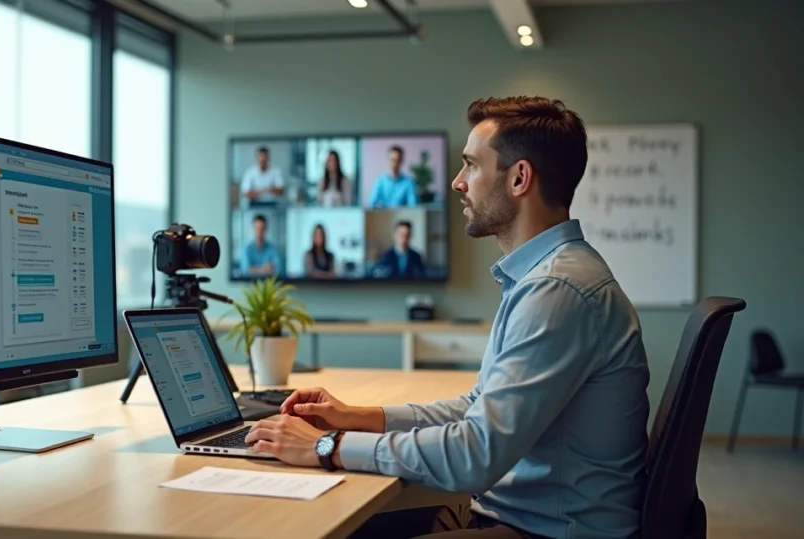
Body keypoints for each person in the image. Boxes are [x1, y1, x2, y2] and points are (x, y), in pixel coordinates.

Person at [243, 96, 650, 539]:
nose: (457, 182)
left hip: (547, 530)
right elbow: (476, 408)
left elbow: (473, 455)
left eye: (471, 166)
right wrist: (354, 417)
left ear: (519, 178)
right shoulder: (546, 276)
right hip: (516, 512)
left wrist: (326, 446)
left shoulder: (556, 288)